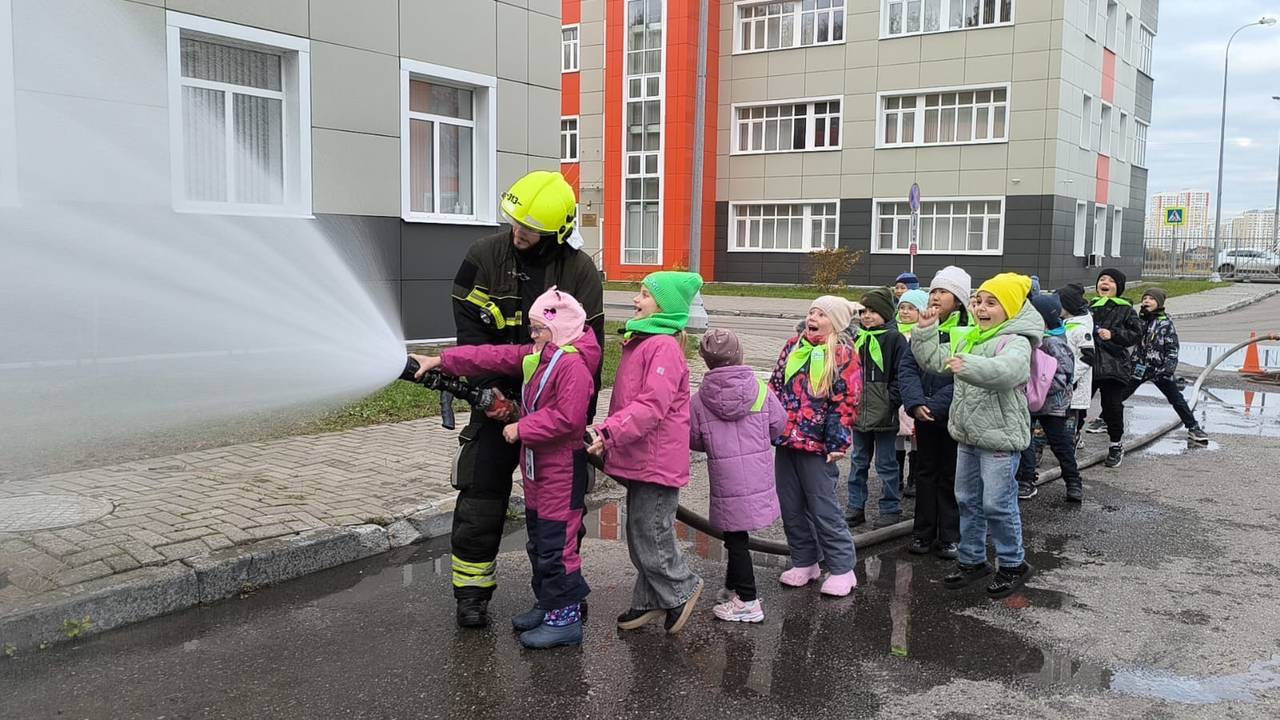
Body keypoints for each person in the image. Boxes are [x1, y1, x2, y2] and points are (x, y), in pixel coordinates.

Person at [445, 170, 604, 628]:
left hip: (555, 411)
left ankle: (562, 597)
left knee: (558, 512)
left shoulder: (579, 271)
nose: (518, 232)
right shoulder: (482, 257)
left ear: (556, 231)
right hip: (496, 401)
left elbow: (587, 355)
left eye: (530, 228)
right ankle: (471, 595)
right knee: (480, 496)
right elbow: (472, 335)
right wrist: (486, 398)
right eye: (514, 221)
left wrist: (575, 424)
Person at [411, 288, 600, 648]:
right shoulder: (544, 355)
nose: (531, 336)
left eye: (538, 329)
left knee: (556, 547)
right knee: (540, 543)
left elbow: (569, 420)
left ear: (558, 328)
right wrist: (441, 361)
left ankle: (565, 621)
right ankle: (548, 605)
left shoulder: (572, 365)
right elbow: (494, 357)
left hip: (560, 473)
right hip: (540, 472)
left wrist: (521, 427)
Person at [588, 271, 705, 634]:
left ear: (664, 307)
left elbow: (652, 406)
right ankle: (650, 599)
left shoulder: (663, 348)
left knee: (650, 532)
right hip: (643, 457)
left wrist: (609, 432)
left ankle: (681, 587)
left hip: (656, 459)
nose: (635, 301)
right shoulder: (644, 342)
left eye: (643, 295)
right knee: (641, 532)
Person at [912, 272, 1041, 599]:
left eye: (991, 303)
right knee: (967, 500)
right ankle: (972, 560)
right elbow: (935, 362)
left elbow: (1008, 372)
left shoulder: (1015, 340)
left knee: (997, 503)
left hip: (999, 438)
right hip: (968, 435)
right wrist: (925, 330)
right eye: (978, 301)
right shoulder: (971, 335)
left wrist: (967, 364)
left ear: (1010, 308)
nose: (981, 308)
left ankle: (1013, 563)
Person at [689, 329, 787, 623]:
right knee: (738, 536)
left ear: (707, 361)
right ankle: (734, 587)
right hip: (757, 474)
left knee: (736, 537)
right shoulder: (759, 389)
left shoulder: (699, 399)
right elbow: (778, 425)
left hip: (726, 476)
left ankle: (747, 600)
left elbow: (693, 438)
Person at [769, 296, 862, 597]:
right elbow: (775, 385)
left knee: (822, 506)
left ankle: (842, 568)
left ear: (834, 322)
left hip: (818, 445)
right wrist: (766, 422)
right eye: (812, 311)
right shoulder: (794, 346)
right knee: (791, 505)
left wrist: (837, 441)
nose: (814, 317)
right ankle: (805, 561)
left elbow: (845, 400)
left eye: (822, 314)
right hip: (786, 439)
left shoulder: (843, 354)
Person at [899, 266, 969, 559]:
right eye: (934, 291)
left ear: (960, 300)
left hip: (953, 416)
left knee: (951, 475)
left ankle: (950, 536)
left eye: (944, 292)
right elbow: (908, 367)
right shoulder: (924, 327)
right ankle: (922, 533)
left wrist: (937, 405)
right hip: (924, 414)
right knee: (925, 473)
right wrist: (916, 403)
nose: (936, 297)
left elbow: (963, 375)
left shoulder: (966, 332)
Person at [846, 288, 909, 529]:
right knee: (858, 460)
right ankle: (855, 505)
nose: (867, 316)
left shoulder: (894, 339)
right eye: (863, 311)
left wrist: (891, 400)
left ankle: (890, 507)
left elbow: (901, 375)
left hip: (884, 414)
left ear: (885, 313)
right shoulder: (857, 338)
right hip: (858, 412)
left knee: (886, 463)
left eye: (873, 311)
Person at [1120, 288, 1210, 445]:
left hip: (1160, 369)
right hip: (1139, 367)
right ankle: (1103, 419)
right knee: (1120, 394)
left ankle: (1193, 427)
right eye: (1145, 298)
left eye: (1151, 299)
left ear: (1159, 303)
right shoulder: (1139, 321)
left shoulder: (1166, 324)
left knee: (1176, 399)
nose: (1147, 301)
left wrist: (1168, 368)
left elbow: (1172, 348)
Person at [1016, 294, 1081, 502]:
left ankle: (1073, 481)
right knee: (1024, 440)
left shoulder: (1053, 342)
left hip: (1052, 404)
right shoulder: (1028, 339)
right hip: (1028, 400)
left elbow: (1064, 375)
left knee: (1059, 442)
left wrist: (1039, 389)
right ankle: (1026, 479)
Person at [1084, 269, 1144, 468]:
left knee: (1112, 407)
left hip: (1114, 366)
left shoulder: (1126, 309)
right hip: (1089, 365)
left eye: (1110, 281)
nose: (1105, 283)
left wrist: (1113, 334)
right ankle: (1074, 437)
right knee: (1079, 405)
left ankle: (1116, 444)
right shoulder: (1089, 307)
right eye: (1102, 279)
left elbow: (1136, 334)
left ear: (1118, 287)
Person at [894, 288, 929, 498]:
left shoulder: (923, 332)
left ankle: (914, 476)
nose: (905, 312)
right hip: (899, 391)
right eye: (902, 308)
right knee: (898, 432)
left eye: (911, 308)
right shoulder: (893, 332)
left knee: (916, 433)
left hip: (916, 391)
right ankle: (897, 474)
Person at [1055, 284, 1096, 450]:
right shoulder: (1063, 325)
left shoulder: (1080, 329)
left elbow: (1088, 358)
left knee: (1069, 422)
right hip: (1059, 383)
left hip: (1073, 385)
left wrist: (1070, 376)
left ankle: (1069, 447)